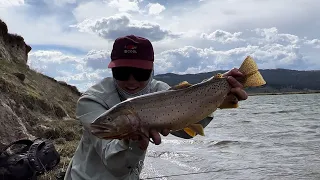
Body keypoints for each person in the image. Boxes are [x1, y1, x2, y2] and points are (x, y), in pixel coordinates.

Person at [64, 35, 248, 180]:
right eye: (122, 72)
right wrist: (136, 142)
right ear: (111, 70)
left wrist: (217, 94)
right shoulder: (90, 102)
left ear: (152, 70)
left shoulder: (160, 91)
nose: (131, 81)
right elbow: (115, 165)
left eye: (140, 73)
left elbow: (185, 130)